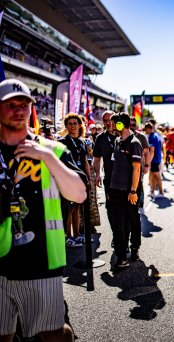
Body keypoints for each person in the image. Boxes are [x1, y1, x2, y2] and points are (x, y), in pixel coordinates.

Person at [0, 78, 86, 341]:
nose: (18, 110)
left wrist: (46, 158)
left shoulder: (53, 149)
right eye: (10, 104)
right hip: (0, 263)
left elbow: (79, 194)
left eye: (24, 104)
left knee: (51, 334)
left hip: (40, 262)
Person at [109, 112, 142, 269]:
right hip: (115, 189)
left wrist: (133, 191)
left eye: (114, 123)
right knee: (118, 224)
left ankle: (135, 248)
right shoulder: (116, 141)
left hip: (129, 191)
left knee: (133, 220)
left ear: (121, 124)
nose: (111, 126)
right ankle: (121, 256)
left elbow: (136, 169)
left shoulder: (134, 143)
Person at [59, 113, 91, 248]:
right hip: (67, 178)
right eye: (70, 123)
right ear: (66, 126)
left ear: (79, 125)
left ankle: (77, 235)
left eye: (75, 123)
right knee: (68, 208)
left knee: (77, 207)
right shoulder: (61, 142)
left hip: (80, 178)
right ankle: (68, 237)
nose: (72, 126)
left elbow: (84, 162)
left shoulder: (82, 142)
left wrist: (88, 179)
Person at [93, 110, 116, 234]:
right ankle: (116, 235)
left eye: (110, 120)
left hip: (126, 181)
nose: (108, 123)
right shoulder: (100, 138)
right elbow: (97, 159)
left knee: (126, 211)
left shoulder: (123, 135)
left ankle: (124, 236)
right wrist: (97, 174)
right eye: (105, 121)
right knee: (111, 209)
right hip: (110, 181)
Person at [144, 122, 164, 198]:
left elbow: (152, 150)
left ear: (149, 129)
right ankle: (152, 191)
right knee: (152, 175)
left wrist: (148, 162)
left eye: (146, 129)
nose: (145, 131)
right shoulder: (155, 135)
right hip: (157, 158)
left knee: (157, 176)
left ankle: (161, 192)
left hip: (154, 159)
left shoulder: (152, 137)